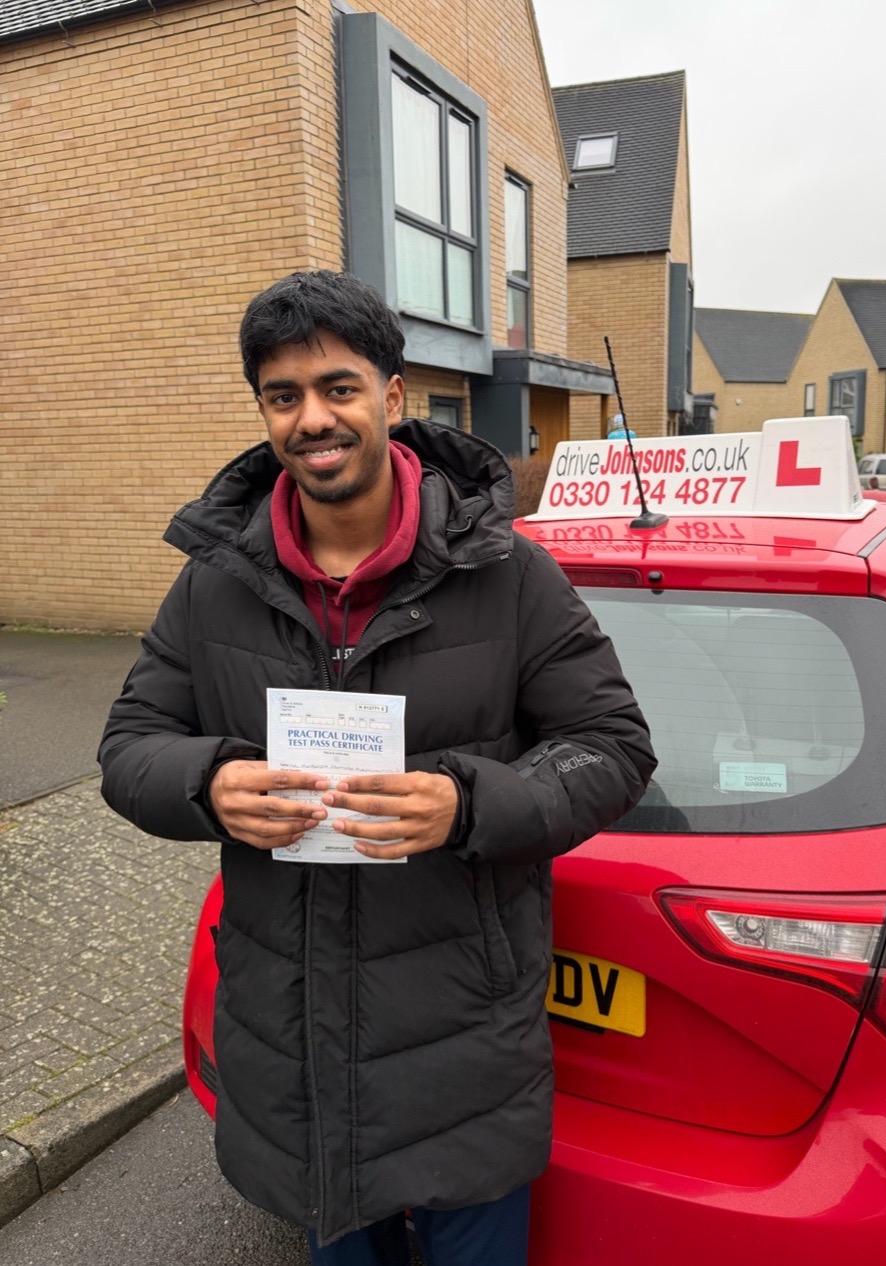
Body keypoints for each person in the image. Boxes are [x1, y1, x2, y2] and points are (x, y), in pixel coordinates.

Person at [99, 270, 655, 1266]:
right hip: (298, 1053)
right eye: (283, 396)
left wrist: (466, 802)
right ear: (265, 411)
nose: (313, 418)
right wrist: (208, 782)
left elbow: (612, 749)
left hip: (462, 1051)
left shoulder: (508, 574)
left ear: (391, 399)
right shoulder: (214, 585)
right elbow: (130, 746)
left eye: (337, 387)